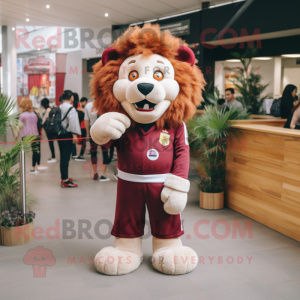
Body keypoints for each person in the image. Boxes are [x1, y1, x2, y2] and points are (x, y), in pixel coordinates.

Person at [18, 98, 48, 174]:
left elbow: (19, 126)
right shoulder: (34, 114)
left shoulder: (22, 115)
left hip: (25, 136)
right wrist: (40, 134)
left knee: (23, 152)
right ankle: (34, 167)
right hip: (35, 135)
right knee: (36, 151)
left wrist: (16, 135)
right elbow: (38, 125)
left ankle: (25, 168)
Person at [58, 90, 81, 188]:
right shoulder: (71, 108)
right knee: (66, 158)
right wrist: (75, 135)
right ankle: (65, 181)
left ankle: (64, 177)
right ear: (72, 97)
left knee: (63, 156)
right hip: (67, 135)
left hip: (59, 134)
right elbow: (73, 123)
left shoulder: (59, 107)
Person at [84, 99, 110, 181]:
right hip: (104, 130)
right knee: (105, 151)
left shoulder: (88, 105)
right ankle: (103, 174)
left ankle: (95, 173)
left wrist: (88, 132)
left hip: (93, 130)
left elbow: (86, 120)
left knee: (93, 151)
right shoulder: (106, 103)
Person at [41, 98, 56, 163]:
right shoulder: (51, 108)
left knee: (51, 143)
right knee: (53, 143)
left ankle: (53, 157)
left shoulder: (47, 110)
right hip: (53, 128)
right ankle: (53, 156)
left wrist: (42, 124)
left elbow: (44, 119)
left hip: (49, 129)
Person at [75, 97, 88, 162]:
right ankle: (81, 155)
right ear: (84, 101)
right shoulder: (82, 109)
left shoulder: (78, 108)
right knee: (83, 141)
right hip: (83, 127)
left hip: (80, 126)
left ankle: (80, 154)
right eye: (85, 102)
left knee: (82, 141)